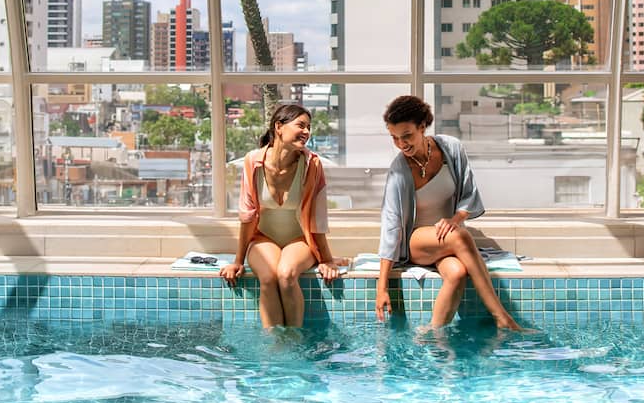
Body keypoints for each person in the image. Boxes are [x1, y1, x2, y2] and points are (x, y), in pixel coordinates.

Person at [374, 95, 523, 331]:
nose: (401, 144)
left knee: (456, 273)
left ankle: (433, 333)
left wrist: (454, 220)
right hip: (416, 243)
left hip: (446, 239)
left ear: (422, 127)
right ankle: (503, 318)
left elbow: (469, 194)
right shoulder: (399, 171)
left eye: (407, 136)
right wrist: (381, 287)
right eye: (394, 138)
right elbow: (391, 226)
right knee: (461, 236)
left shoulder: (451, 148)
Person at [220, 103, 340, 327]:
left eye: (308, 127)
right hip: (263, 237)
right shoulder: (253, 162)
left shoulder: (311, 164)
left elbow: (317, 218)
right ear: (279, 127)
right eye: (301, 125)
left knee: (286, 275)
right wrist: (237, 261)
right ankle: (274, 346)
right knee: (267, 278)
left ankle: (294, 340)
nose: (306, 132)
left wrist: (327, 260)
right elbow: (247, 216)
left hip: (300, 240)